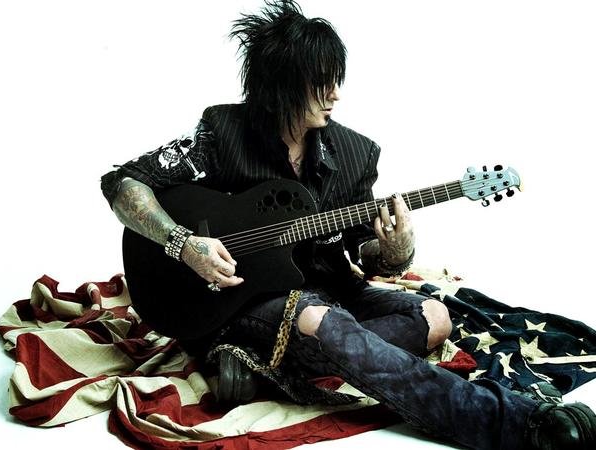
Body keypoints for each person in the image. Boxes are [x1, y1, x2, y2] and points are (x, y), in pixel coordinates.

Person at [100, 1, 596, 448]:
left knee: (435, 317)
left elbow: (367, 253)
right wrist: (183, 244)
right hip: (243, 298)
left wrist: (396, 250)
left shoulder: (355, 152)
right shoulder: (221, 131)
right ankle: (511, 421)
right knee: (320, 321)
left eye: (337, 78)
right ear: (280, 85)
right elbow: (123, 184)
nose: (336, 94)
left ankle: (261, 361)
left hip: (332, 288)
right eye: (322, 82)